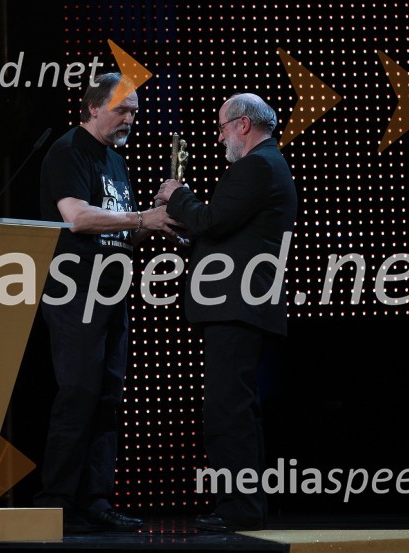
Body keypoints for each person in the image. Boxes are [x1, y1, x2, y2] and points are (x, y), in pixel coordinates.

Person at [35, 72, 179, 533]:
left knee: (107, 398)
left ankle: (95, 498)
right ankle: (55, 501)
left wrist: (155, 222)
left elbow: (119, 232)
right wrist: (141, 216)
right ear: (93, 106)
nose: (130, 118)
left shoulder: (115, 160)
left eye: (135, 110)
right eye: (123, 109)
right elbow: (77, 218)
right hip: (75, 289)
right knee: (77, 393)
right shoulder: (69, 150)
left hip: (112, 291)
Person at [154, 93, 298, 532]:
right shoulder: (266, 166)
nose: (219, 139)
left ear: (242, 125)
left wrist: (178, 196)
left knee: (227, 410)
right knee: (236, 408)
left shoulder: (258, 166)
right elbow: (225, 231)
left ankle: (239, 507)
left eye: (221, 128)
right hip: (240, 307)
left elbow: (214, 219)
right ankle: (243, 505)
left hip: (238, 306)